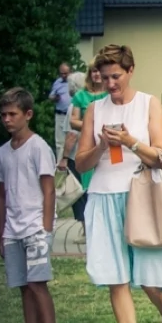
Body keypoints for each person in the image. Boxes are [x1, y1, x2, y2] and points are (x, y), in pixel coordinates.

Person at [74, 44, 162, 323]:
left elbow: (161, 157)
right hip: (103, 197)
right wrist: (100, 145)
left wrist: (129, 141)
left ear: (130, 70)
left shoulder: (149, 103)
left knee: (151, 282)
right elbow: (81, 163)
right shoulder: (95, 110)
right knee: (116, 279)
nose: (110, 83)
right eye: (104, 77)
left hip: (141, 197)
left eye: (116, 76)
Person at [0, 87, 63, 323]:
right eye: (3, 115)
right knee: (23, 286)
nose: (7, 119)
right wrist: (1, 234)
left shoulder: (39, 147)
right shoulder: (2, 153)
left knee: (37, 284)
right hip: (13, 230)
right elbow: (1, 195)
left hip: (35, 228)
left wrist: (46, 231)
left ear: (28, 114)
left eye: (13, 114)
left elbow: (49, 191)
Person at [60, 63, 108, 245]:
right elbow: (73, 123)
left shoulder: (109, 94)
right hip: (88, 149)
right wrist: (93, 125)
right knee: (88, 190)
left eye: (99, 71)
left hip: (109, 148)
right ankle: (91, 230)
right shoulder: (81, 96)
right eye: (93, 71)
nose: (97, 74)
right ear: (90, 74)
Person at [49, 62, 71, 160]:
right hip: (60, 114)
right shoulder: (58, 82)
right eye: (61, 73)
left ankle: (72, 165)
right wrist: (54, 98)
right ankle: (60, 166)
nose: (63, 75)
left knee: (72, 140)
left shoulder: (76, 81)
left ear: (71, 72)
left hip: (72, 115)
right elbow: (51, 96)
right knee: (60, 142)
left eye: (65, 73)